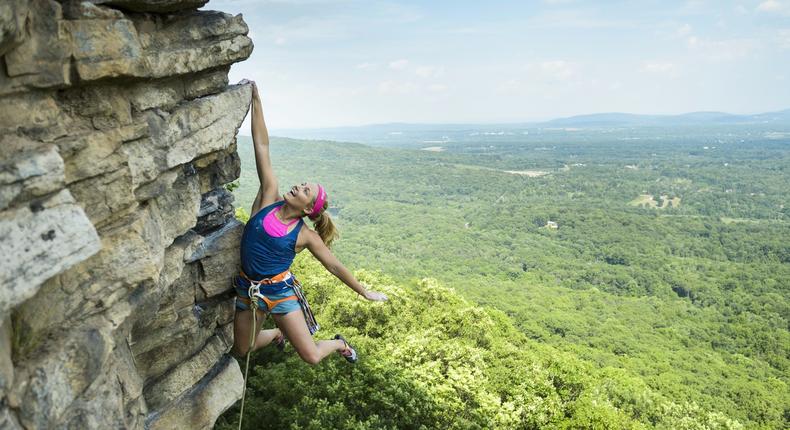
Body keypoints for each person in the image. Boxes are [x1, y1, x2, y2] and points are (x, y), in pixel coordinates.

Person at [232, 80, 388, 365]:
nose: (299, 187)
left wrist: (364, 292)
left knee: (312, 356)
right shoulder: (269, 197)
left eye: (306, 191)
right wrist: (256, 101)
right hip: (249, 288)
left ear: (307, 209)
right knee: (242, 348)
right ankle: (279, 334)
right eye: (302, 184)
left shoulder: (305, 236)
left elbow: (334, 266)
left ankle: (339, 343)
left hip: (279, 292)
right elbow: (262, 145)